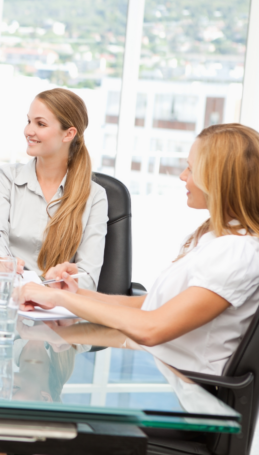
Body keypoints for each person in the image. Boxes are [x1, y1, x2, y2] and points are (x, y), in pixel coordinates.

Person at [18, 123, 259, 376]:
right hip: (159, 371)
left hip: (183, 390)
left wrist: (60, 299)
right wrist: (76, 294)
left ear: (218, 179)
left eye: (191, 168)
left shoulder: (237, 252)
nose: (183, 176)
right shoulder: (216, 239)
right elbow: (150, 306)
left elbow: (152, 328)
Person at [0, 88, 108, 290]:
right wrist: (2, 263)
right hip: (7, 296)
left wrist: (53, 287)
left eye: (40, 124)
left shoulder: (95, 197)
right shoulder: (5, 178)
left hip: (57, 309)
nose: (28, 131)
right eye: (29, 121)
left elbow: (88, 278)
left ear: (69, 134)